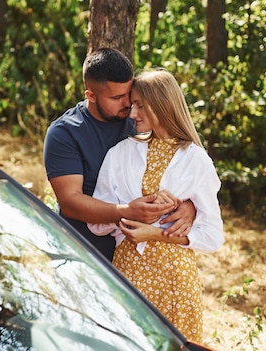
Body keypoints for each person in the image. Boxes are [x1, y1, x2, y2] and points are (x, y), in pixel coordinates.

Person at [88, 69, 224, 342]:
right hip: (129, 272)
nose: (132, 113)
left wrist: (157, 232)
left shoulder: (196, 160)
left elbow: (213, 237)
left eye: (140, 105)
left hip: (176, 279)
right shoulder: (120, 154)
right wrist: (128, 210)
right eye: (132, 104)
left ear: (163, 104)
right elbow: (97, 223)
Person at [43, 48, 195, 260]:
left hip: (141, 259)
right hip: (83, 253)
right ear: (91, 95)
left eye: (129, 94)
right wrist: (126, 211)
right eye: (117, 97)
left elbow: (182, 166)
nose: (127, 104)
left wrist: (190, 206)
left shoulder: (139, 119)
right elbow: (70, 203)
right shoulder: (65, 133)